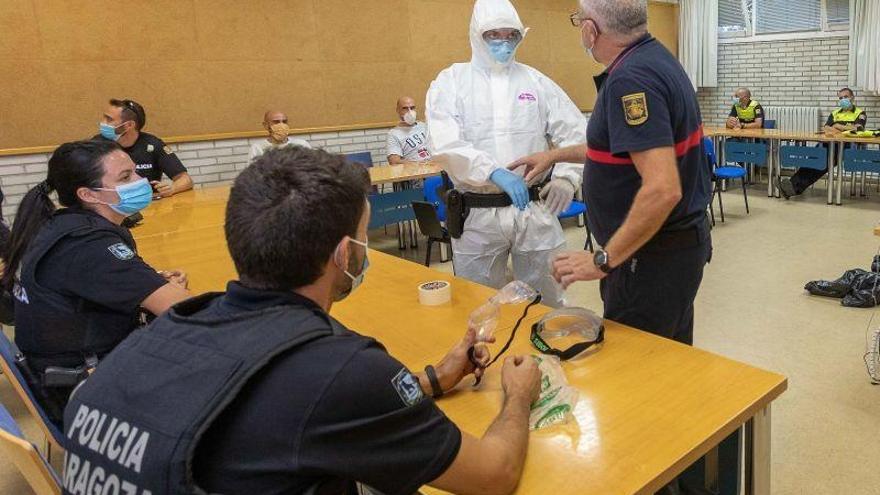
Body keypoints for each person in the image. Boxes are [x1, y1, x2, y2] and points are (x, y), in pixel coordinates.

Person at [61, 146, 542, 495]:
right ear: (343, 254)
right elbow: (493, 475)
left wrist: (433, 378)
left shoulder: (173, 325)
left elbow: (276, 410)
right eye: (362, 237)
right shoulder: (344, 366)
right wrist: (518, 397)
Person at [511, 2, 712, 491]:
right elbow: (624, 146)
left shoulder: (630, 80)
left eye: (579, 20)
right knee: (665, 367)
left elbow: (661, 187)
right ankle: (676, 468)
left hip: (650, 261)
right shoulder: (653, 59)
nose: (579, 27)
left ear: (592, 28)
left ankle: (649, 477)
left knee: (637, 381)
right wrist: (557, 152)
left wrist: (603, 258)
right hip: (673, 254)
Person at [1, 140, 191, 427]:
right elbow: (186, 310)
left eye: (136, 173)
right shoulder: (87, 244)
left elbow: (97, 283)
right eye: (125, 178)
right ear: (88, 194)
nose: (142, 181)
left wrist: (149, 285)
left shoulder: (63, 225)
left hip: (66, 375)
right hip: (85, 396)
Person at [426, 0, 587, 308]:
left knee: (547, 298)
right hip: (477, 213)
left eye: (511, 35)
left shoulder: (535, 82)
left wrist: (567, 178)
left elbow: (574, 132)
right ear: (476, 35)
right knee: (479, 303)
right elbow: (444, 141)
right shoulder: (452, 82)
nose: (503, 42)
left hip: (532, 207)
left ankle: (543, 355)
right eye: (493, 35)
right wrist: (491, 172)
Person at [778, 87, 867, 198]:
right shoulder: (835, 113)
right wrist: (845, 128)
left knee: (822, 162)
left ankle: (794, 187)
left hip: (846, 146)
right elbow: (826, 128)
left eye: (845, 97)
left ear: (852, 97)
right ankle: (791, 186)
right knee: (813, 158)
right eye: (840, 98)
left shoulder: (860, 113)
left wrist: (837, 126)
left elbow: (858, 129)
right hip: (829, 143)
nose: (843, 100)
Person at [96, 99, 193, 199]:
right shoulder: (97, 145)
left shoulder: (153, 144)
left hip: (149, 205)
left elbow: (185, 179)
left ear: (129, 125)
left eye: (109, 119)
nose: (102, 123)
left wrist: (172, 188)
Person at [387, 96, 432, 164]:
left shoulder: (424, 126)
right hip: (415, 171)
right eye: (405, 108)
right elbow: (394, 162)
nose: (410, 111)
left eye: (412, 108)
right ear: (398, 110)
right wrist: (419, 164)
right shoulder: (393, 134)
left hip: (436, 167)